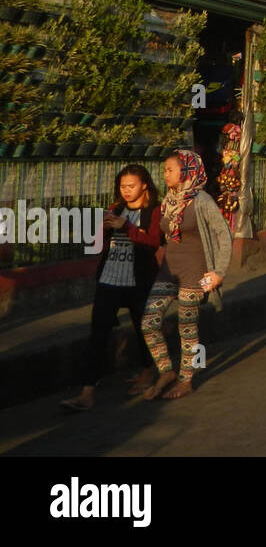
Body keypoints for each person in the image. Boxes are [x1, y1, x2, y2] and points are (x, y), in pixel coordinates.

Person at [61, 165, 163, 411]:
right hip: (109, 278)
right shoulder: (115, 209)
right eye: (122, 186)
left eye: (131, 186)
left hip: (138, 281)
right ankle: (87, 393)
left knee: (144, 329)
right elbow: (96, 245)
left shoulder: (154, 210)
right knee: (98, 334)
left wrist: (126, 226)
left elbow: (153, 242)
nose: (126, 191)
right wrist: (102, 230)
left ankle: (149, 372)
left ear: (144, 185)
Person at [139, 149, 231, 400]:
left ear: (187, 171)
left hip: (197, 273)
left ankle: (185, 379)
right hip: (169, 270)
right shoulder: (168, 201)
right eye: (165, 170)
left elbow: (224, 234)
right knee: (148, 322)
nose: (165, 174)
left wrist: (219, 272)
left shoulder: (202, 201)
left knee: (187, 327)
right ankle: (166, 372)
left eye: (170, 169)